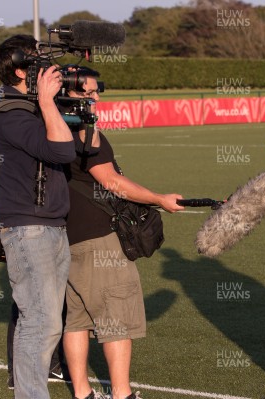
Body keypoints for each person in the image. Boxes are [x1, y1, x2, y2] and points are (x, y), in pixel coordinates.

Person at [61, 67, 185, 399]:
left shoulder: (49, 127)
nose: (96, 97)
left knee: (77, 320)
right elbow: (112, 182)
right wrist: (159, 199)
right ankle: (121, 394)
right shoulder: (86, 134)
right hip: (98, 237)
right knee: (116, 316)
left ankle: (82, 393)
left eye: (96, 90)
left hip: (64, 237)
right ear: (70, 94)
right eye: (88, 92)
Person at [0, 34, 76, 399]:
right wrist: (45, 100)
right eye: (40, 64)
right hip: (29, 230)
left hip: (49, 226)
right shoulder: (12, 115)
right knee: (39, 322)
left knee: (48, 323)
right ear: (24, 71)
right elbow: (61, 150)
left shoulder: (26, 110)